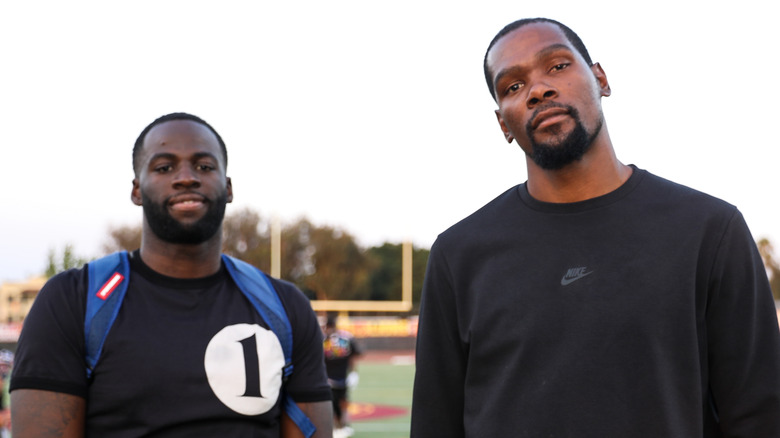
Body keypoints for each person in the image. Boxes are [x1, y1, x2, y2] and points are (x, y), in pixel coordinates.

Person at [411, 18, 780, 437]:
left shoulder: (710, 231)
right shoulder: (458, 256)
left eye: (558, 66)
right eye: (513, 86)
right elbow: (434, 426)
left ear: (601, 79)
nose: (538, 90)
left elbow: (758, 415)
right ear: (502, 124)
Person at [10, 112, 333, 437]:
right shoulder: (73, 300)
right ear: (137, 190)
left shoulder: (285, 307)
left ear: (228, 187)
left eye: (205, 166)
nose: (186, 177)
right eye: (164, 167)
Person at [321, 315, 361, 438]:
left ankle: (342, 426)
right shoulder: (344, 338)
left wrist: (353, 373)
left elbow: (353, 355)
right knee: (338, 403)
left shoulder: (324, 339)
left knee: (336, 404)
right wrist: (353, 372)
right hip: (335, 377)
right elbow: (354, 356)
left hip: (333, 378)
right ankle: (340, 426)